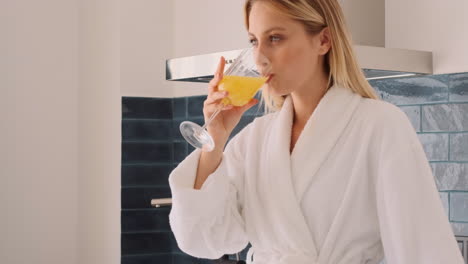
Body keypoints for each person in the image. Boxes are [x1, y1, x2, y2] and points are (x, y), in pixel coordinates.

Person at [168, 0, 464, 263]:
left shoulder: (380, 125)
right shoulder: (253, 140)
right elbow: (204, 240)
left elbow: (422, 249)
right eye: (254, 41)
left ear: (323, 40)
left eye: (275, 38)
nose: (259, 59)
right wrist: (215, 142)